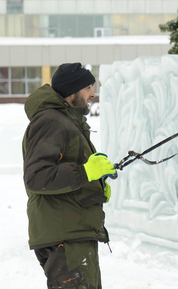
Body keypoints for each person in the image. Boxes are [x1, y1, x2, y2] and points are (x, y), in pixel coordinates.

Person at [22, 63, 116, 289]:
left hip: (73, 232)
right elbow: (36, 176)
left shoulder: (67, 121)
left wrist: (95, 185)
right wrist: (85, 172)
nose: (93, 93)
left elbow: (63, 172)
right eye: (87, 88)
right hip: (65, 236)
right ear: (71, 90)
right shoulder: (51, 121)